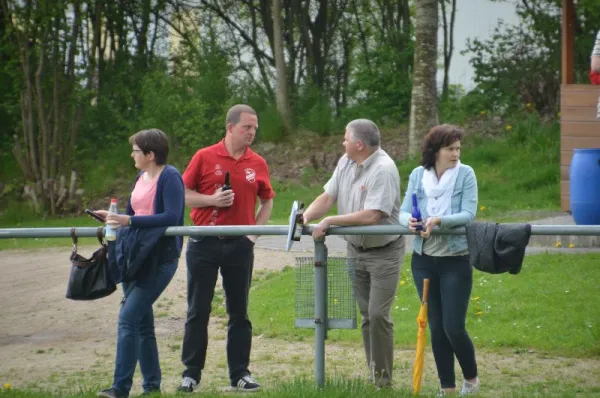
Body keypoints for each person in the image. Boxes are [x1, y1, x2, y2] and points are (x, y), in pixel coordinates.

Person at [178, 104, 275, 393]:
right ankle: (191, 373)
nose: (252, 133)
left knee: (239, 311)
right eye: (247, 127)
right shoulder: (204, 156)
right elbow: (183, 194)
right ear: (230, 127)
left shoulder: (257, 162)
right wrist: (212, 201)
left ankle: (240, 374)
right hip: (204, 242)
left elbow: (267, 200)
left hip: (239, 245)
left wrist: (252, 235)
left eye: (255, 128)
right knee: (198, 310)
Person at [302, 119, 405, 388]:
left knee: (378, 314)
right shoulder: (346, 161)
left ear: (359, 144)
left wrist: (330, 222)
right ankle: (375, 374)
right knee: (367, 314)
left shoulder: (383, 169)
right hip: (355, 250)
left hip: (385, 252)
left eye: (345, 138)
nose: (342, 142)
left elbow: (372, 215)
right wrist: (304, 217)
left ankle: (383, 382)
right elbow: (328, 197)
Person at [96, 129, 185, 398]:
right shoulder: (139, 176)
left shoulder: (170, 176)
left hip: (160, 259)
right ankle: (151, 387)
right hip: (135, 257)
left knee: (127, 319)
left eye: (136, 151)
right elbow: (134, 215)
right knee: (142, 325)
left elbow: (171, 215)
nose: (132, 155)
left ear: (150, 154)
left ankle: (119, 389)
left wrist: (129, 221)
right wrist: (114, 217)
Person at [398, 124, 479, 396]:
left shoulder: (466, 174)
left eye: (458, 148)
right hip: (423, 260)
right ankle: (448, 387)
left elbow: (469, 214)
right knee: (435, 327)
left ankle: (471, 379)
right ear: (435, 151)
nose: (456, 154)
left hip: (455, 259)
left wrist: (439, 220)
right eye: (450, 149)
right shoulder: (418, 175)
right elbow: (404, 210)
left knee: (453, 327)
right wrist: (408, 221)